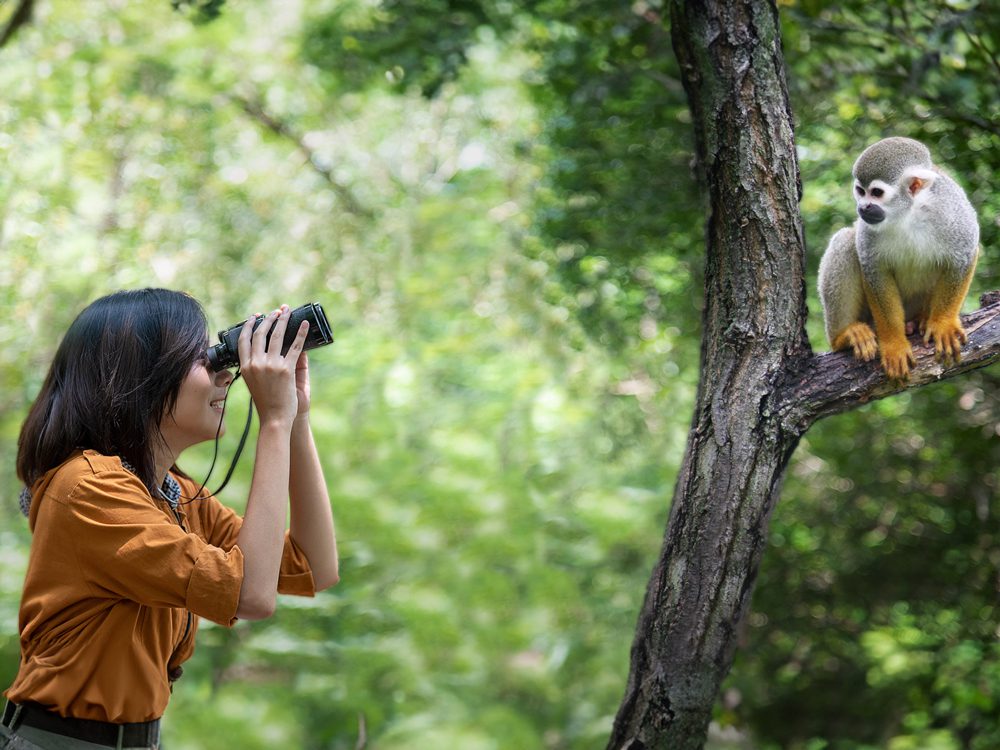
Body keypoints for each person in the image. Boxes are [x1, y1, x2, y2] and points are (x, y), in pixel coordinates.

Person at [1, 289, 339, 750]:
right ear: (140, 380)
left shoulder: (172, 495)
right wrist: (273, 421)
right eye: (204, 358)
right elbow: (252, 595)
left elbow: (314, 567)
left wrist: (296, 416)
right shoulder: (87, 488)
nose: (225, 373)